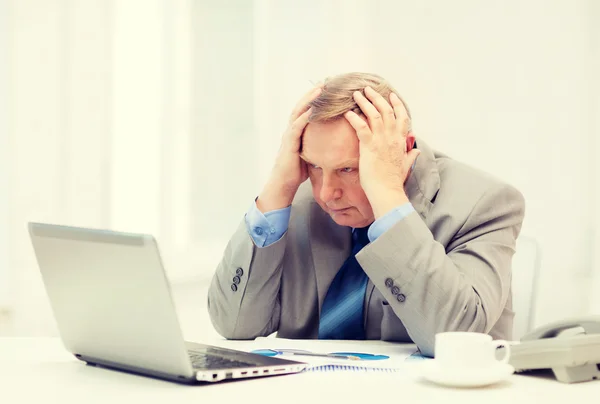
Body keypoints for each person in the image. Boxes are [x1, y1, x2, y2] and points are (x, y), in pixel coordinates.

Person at [207, 72, 525, 357]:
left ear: (401, 150)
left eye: (348, 169)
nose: (325, 193)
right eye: (315, 166)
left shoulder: (486, 203)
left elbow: (457, 337)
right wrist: (279, 184)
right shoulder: (298, 200)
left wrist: (386, 195)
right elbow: (234, 325)